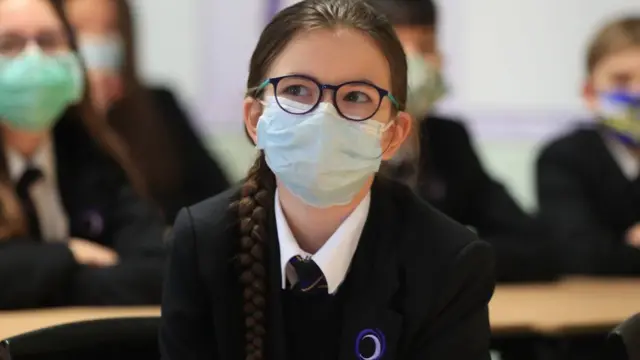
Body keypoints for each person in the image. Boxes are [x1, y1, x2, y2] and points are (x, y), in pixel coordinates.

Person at [160, 0, 495, 359]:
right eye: (297, 90)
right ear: (255, 119)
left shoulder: (448, 262)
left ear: (393, 135)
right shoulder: (204, 242)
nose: (324, 118)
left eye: (355, 97)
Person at [369, 0, 558, 283]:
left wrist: (450, 255)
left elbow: (537, 248)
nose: (416, 63)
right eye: (399, 51)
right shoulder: (343, 144)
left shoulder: (449, 139)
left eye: (427, 48)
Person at [0, 0, 166, 309]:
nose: (33, 60)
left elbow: (157, 271)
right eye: (9, 44)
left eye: (49, 41)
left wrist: (41, 283)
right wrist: (70, 254)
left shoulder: (90, 150)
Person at [64, 0, 231, 224]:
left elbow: (220, 197)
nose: (98, 41)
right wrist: (92, 113)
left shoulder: (160, 104)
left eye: (110, 29)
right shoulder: (53, 124)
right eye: (80, 29)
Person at [537, 16, 640, 275]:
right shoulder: (562, 157)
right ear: (589, 92)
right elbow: (576, 255)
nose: (637, 92)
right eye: (621, 80)